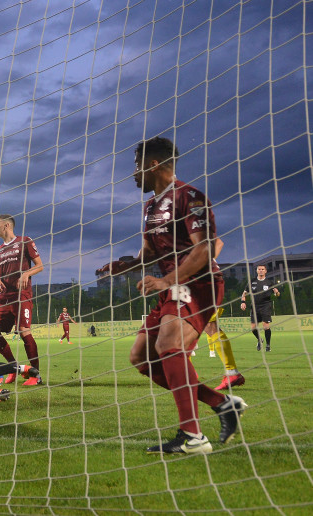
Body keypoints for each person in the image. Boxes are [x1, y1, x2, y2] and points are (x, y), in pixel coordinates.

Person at [99, 136, 246, 454]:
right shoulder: (150, 207)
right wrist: (124, 266)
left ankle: (193, 437)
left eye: (137, 167)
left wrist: (166, 280)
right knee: (140, 357)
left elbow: (204, 249)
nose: (134, 174)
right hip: (174, 287)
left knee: (168, 345)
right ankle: (221, 403)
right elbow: (149, 253)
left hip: (201, 284)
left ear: (153, 165)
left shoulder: (190, 197)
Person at [0, 214, 44, 386]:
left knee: (23, 330)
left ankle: (36, 375)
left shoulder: (25, 241)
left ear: (5, 226)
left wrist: (26, 273)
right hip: (4, 296)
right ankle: (13, 368)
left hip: (22, 295)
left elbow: (40, 265)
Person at [203, 239, 243, 391]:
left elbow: (219, 242)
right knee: (208, 327)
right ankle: (232, 372)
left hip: (205, 283)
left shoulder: (185, 227)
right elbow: (218, 243)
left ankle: (232, 372)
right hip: (205, 282)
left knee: (210, 326)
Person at [240, 264, 280, 352]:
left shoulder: (270, 282)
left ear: (265, 271)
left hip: (266, 305)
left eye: (262, 269)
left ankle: (268, 346)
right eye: (259, 269)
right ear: (257, 271)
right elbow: (244, 293)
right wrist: (243, 302)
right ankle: (260, 340)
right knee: (253, 328)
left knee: (266, 326)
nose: (261, 270)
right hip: (254, 306)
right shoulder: (252, 282)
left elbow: (277, 294)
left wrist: (277, 292)